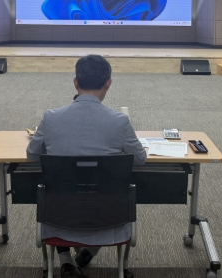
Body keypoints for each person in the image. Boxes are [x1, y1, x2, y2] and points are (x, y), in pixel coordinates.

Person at [27, 55, 146, 278]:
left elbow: (32, 155)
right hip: (109, 218)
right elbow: (140, 159)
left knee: (63, 187)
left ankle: (65, 260)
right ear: (108, 83)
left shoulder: (50, 118)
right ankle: (87, 253)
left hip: (58, 216)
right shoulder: (119, 121)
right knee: (102, 192)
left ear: (76, 82)